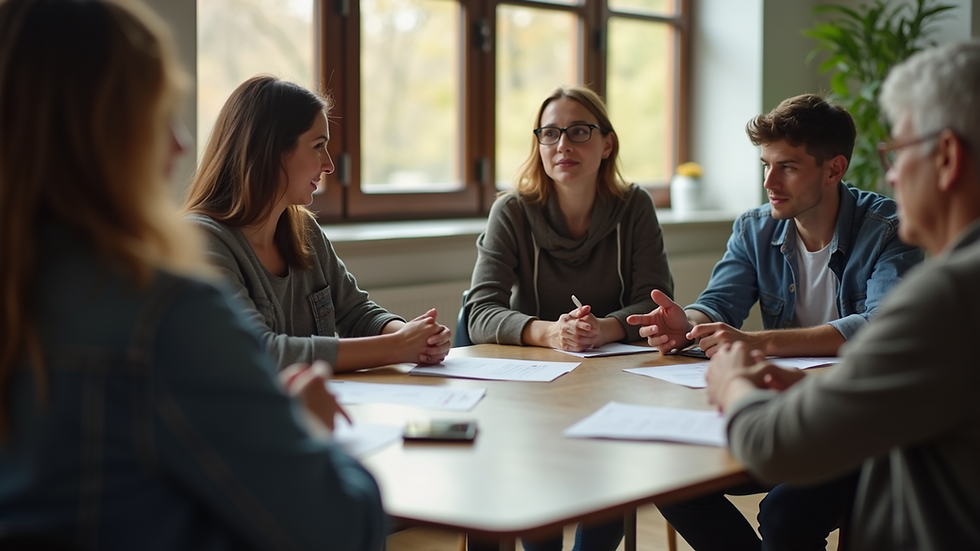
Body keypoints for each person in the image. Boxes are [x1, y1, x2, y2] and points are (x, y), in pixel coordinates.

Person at [0, 0, 384, 549]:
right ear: (101, 130)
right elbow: (341, 528)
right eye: (161, 113)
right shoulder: (166, 311)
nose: (181, 143)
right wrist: (303, 428)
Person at [705, 40, 980, 550]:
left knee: (785, 513)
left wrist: (732, 383)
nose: (891, 175)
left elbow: (774, 444)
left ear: (945, 157)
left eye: (897, 153)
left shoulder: (947, 296)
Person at [627, 94, 924, 551]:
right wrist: (686, 324)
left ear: (833, 169)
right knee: (672, 481)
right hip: (781, 413)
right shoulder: (754, 228)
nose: (769, 181)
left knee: (786, 514)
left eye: (787, 167)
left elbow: (878, 327)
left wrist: (758, 343)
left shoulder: (890, 228)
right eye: (766, 165)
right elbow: (719, 303)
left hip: (854, 424)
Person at [466, 85, 673, 551]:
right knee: (535, 487)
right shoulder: (512, 211)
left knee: (610, 475)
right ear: (538, 144)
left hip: (612, 385)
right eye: (550, 133)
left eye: (579, 132)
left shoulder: (634, 206)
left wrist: (604, 329)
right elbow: (479, 310)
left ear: (607, 143)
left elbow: (654, 299)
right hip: (531, 392)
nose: (563, 145)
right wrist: (552, 333)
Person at [183, 75, 451, 372]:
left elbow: (355, 312)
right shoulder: (200, 240)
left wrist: (413, 337)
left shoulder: (305, 232)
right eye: (318, 146)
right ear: (272, 150)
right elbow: (257, 351)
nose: (329, 165)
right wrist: (396, 347)